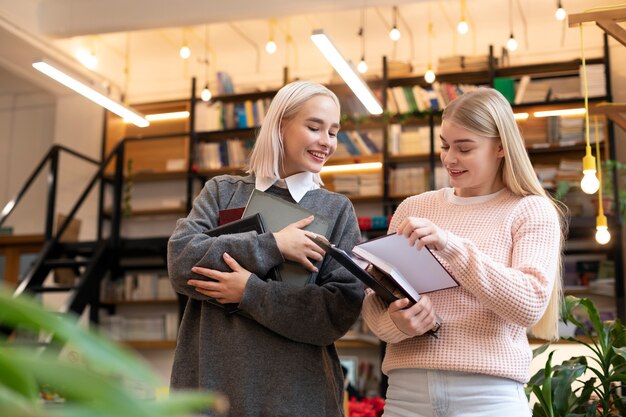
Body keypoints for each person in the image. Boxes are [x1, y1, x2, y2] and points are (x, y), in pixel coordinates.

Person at [361, 87, 564, 417]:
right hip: (406, 395)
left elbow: (529, 305)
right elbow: (374, 300)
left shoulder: (530, 211)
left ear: (500, 147)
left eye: (464, 148)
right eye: (444, 145)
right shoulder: (413, 208)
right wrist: (398, 325)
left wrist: (452, 247)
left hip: (489, 398)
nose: (449, 158)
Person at [167, 80, 364, 417]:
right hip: (211, 393)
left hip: (298, 400)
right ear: (280, 125)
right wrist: (272, 245)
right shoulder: (222, 192)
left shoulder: (336, 210)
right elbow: (182, 261)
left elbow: (336, 312)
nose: (326, 142)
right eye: (314, 127)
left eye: (333, 132)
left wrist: (250, 292)